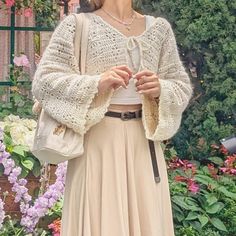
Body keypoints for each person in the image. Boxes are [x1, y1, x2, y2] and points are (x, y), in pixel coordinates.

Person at [32, 0, 193, 235]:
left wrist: (161, 88)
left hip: (144, 145)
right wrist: (97, 83)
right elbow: (44, 82)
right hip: (98, 143)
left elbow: (180, 86)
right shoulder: (76, 25)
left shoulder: (159, 29)